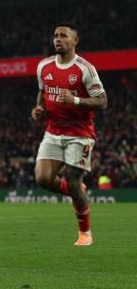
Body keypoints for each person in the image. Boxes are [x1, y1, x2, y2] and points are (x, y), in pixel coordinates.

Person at [31, 23, 107, 246]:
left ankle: (85, 233)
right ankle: (76, 191)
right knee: (43, 178)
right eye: (55, 35)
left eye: (63, 35)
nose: (58, 39)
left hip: (80, 134)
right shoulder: (44, 66)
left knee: (73, 180)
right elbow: (42, 92)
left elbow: (102, 102)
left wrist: (75, 100)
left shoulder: (85, 69)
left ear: (75, 41)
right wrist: (39, 109)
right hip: (53, 131)